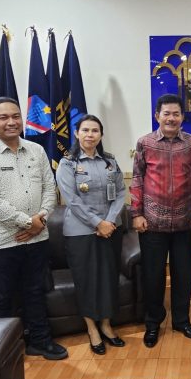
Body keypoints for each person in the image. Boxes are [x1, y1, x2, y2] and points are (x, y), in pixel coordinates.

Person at [0, 97, 67, 360]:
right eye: (3, 117)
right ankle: (1, 353)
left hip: (38, 238)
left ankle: (40, 341)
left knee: (35, 291)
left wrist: (41, 221)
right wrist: (27, 223)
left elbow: (50, 188)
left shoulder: (36, 150)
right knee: (1, 297)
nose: (11, 122)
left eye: (15, 116)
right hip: (2, 242)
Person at [131, 93, 191, 348]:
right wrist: (137, 213)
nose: (171, 118)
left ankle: (182, 321)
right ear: (157, 116)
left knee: (183, 274)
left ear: (183, 117)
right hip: (151, 223)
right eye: (166, 113)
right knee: (153, 276)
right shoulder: (145, 143)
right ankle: (153, 323)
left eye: (176, 113)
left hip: (184, 221)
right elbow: (137, 180)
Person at [56, 115, 126, 355]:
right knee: (86, 281)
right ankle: (91, 329)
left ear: (101, 135)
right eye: (85, 130)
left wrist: (109, 221)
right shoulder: (67, 164)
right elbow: (72, 201)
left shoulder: (110, 162)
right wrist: (98, 223)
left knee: (108, 278)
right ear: (76, 134)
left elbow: (120, 192)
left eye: (95, 130)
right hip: (80, 232)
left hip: (110, 230)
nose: (90, 134)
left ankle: (106, 325)